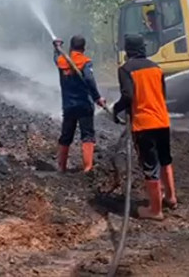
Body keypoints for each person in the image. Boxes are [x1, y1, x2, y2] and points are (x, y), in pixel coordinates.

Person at [113, 34, 176, 220]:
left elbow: (128, 96)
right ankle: (171, 197)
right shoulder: (156, 68)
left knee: (150, 166)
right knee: (165, 159)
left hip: (143, 124)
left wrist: (117, 109)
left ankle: (155, 210)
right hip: (162, 121)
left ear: (128, 49)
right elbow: (162, 95)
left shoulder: (125, 69)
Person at [53, 35, 106, 173]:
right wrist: (97, 97)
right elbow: (89, 78)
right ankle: (88, 168)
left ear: (71, 47)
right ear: (84, 48)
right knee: (87, 135)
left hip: (68, 105)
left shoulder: (61, 61)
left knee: (66, 135)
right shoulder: (85, 61)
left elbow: (56, 60)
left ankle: (61, 167)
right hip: (84, 104)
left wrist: (56, 49)